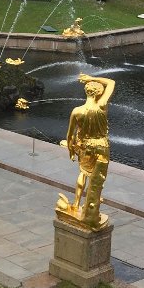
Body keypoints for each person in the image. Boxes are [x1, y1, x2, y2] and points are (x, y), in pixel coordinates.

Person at [57, 73, 116, 228]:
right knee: (98, 178)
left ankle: (76, 204)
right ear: (99, 93)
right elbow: (111, 81)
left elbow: (69, 135)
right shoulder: (102, 105)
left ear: (86, 92)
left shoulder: (77, 111)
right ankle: (92, 207)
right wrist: (92, 78)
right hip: (102, 145)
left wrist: (71, 150)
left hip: (86, 146)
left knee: (83, 173)